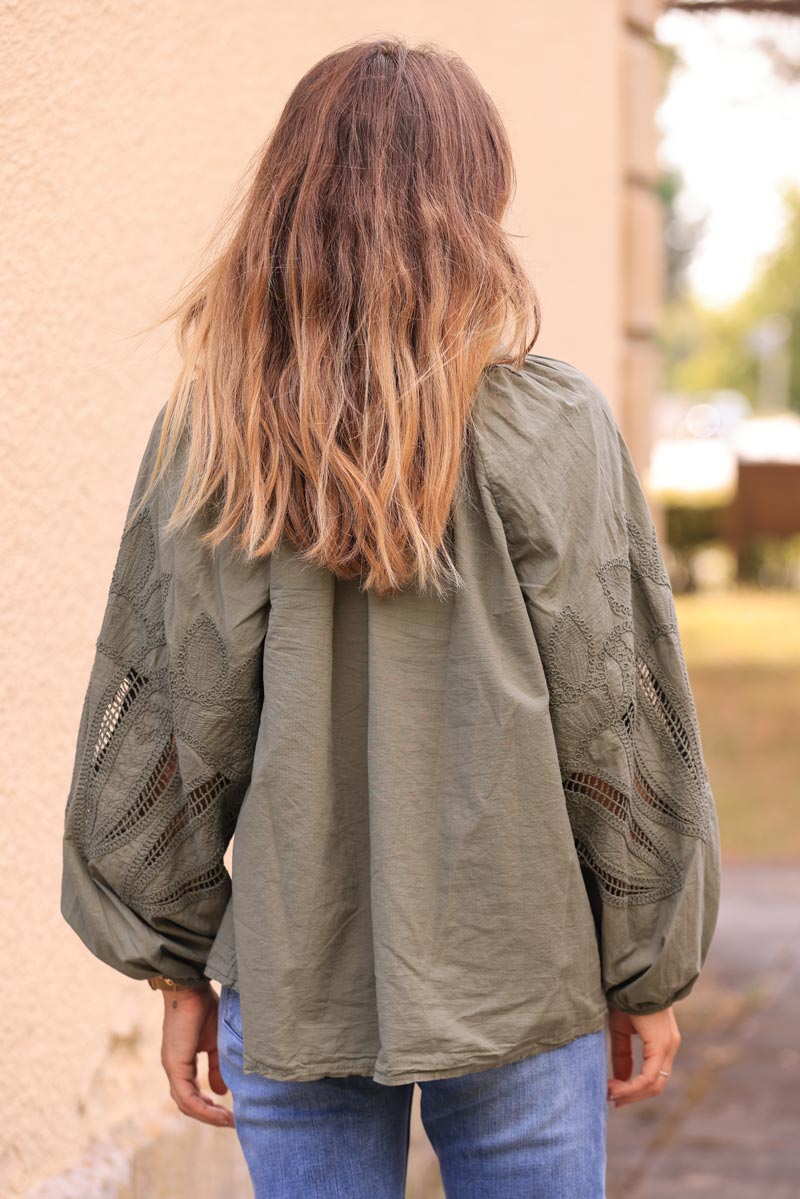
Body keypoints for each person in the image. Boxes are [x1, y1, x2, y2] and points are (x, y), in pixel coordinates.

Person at [60, 35, 721, 1199]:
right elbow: (617, 712)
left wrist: (175, 968)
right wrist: (646, 967)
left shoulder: (215, 437)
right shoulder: (552, 423)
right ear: (476, 200)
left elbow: (168, 710)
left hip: (293, 970)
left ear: (288, 198)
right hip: (522, 978)